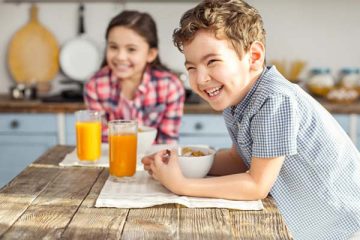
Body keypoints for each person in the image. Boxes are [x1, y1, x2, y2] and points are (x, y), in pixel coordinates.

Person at [142, 1, 360, 239]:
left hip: (346, 227)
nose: (201, 78)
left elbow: (256, 185)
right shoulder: (235, 97)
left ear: (254, 57)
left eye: (212, 61)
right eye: (191, 67)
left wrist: (181, 185)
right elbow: (239, 159)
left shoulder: (274, 98)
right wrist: (180, 163)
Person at [84, 10, 185, 144]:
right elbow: (101, 140)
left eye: (131, 49)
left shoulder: (170, 86)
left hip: (153, 161)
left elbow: (167, 141)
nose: (120, 56)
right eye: (113, 47)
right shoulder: (94, 85)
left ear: (151, 54)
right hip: (113, 159)